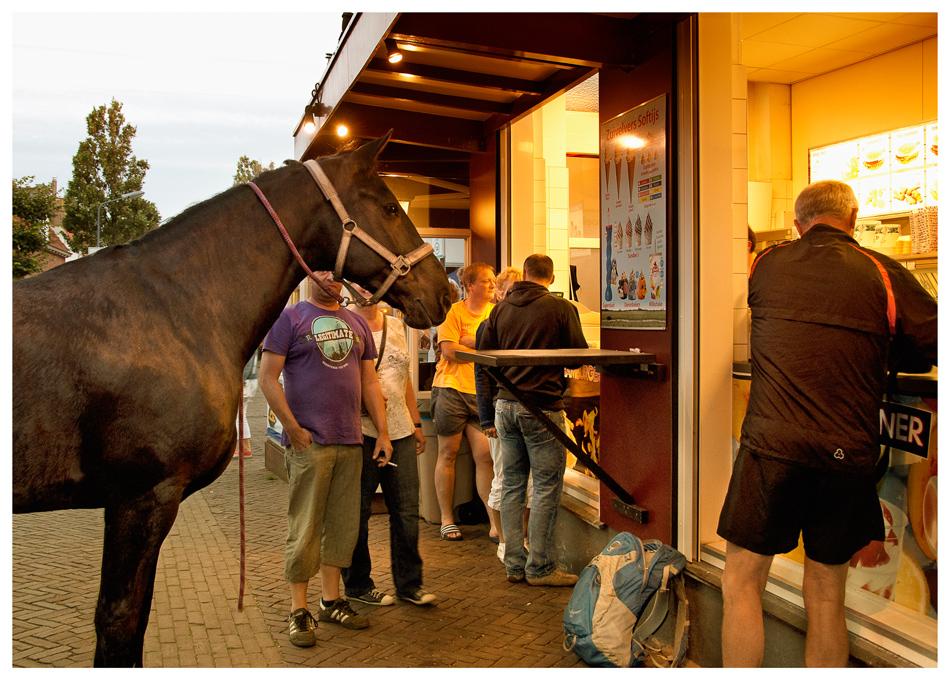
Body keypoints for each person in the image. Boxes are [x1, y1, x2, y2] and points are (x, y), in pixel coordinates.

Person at [717, 180, 937, 667]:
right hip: (846, 455)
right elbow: (933, 340)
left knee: (741, 582)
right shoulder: (882, 272)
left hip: (770, 450)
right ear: (854, 221)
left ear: (798, 225)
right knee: (824, 596)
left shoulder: (767, 263)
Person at [259, 271, 393, 648]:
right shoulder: (291, 318)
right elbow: (269, 378)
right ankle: (298, 610)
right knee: (305, 527)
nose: (331, 278)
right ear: (307, 274)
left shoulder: (356, 323)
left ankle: (331, 601)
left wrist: (382, 433)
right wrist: (293, 428)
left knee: (343, 527)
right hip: (308, 443)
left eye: (337, 273)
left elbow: (370, 382)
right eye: (322, 271)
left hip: (351, 441)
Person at [479, 254, 589, 586]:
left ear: (524, 274)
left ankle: (514, 562)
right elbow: (578, 351)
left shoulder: (499, 310)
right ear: (552, 278)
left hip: (505, 407)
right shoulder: (561, 309)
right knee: (544, 488)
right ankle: (540, 567)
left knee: (512, 485)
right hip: (542, 408)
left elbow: (485, 360)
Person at [341, 283, 438, 607]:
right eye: (359, 283)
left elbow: (405, 378)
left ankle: (410, 584)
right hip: (360, 432)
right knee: (358, 513)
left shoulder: (396, 324)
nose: (366, 288)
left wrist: (416, 422)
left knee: (407, 511)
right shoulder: (344, 325)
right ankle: (358, 584)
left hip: (400, 430)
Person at [431, 262, 498, 542]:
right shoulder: (454, 312)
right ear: (470, 286)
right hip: (451, 389)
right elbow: (448, 351)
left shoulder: (496, 314)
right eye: (487, 281)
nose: (493, 286)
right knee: (448, 453)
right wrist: (479, 345)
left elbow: (503, 349)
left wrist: (472, 342)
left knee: (485, 456)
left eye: (494, 281)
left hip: (482, 392)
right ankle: (446, 519)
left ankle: (494, 523)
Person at [474, 266, 533, 562]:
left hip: (522, 410)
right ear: (499, 293)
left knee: (527, 483)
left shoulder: (518, 321)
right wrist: (486, 419)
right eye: (510, 290)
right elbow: (482, 373)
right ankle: (501, 538)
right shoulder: (489, 325)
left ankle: (519, 540)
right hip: (501, 411)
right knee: (504, 477)